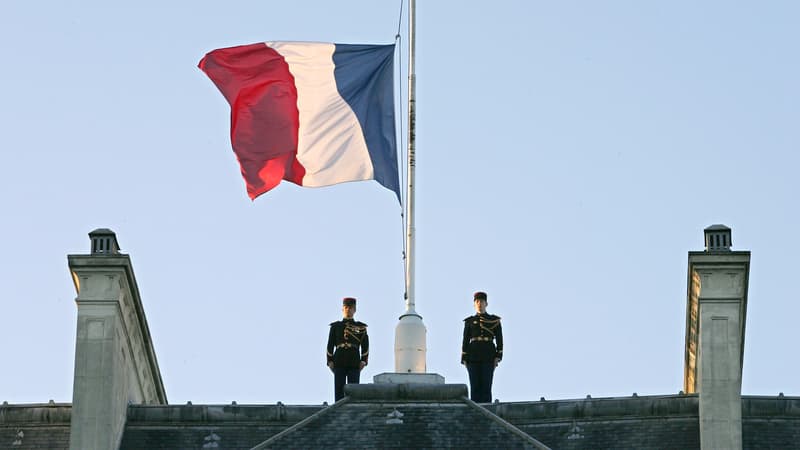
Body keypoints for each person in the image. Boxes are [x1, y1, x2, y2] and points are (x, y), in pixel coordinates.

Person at [461, 291, 503, 403]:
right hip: (473, 355)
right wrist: (464, 357)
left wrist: (498, 355)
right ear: (474, 304)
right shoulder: (469, 321)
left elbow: (499, 339)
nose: (480, 303)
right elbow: (465, 339)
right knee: (474, 385)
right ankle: (475, 410)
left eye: (482, 301)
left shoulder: (494, 320)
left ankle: (487, 408)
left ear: (486, 304)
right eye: (477, 301)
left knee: (486, 385)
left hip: (488, 355)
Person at [326, 297, 369, 401]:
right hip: (339, 359)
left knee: (354, 389)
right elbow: (330, 344)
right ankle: (338, 408)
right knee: (339, 388)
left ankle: (353, 407)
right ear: (342, 309)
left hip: (354, 359)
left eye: (350, 308)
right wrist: (330, 361)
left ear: (354, 310)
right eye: (346, 307)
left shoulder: (360, 327)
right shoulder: (336, 326)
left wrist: (363, 360)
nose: (348, 310)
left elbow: (365, 344)